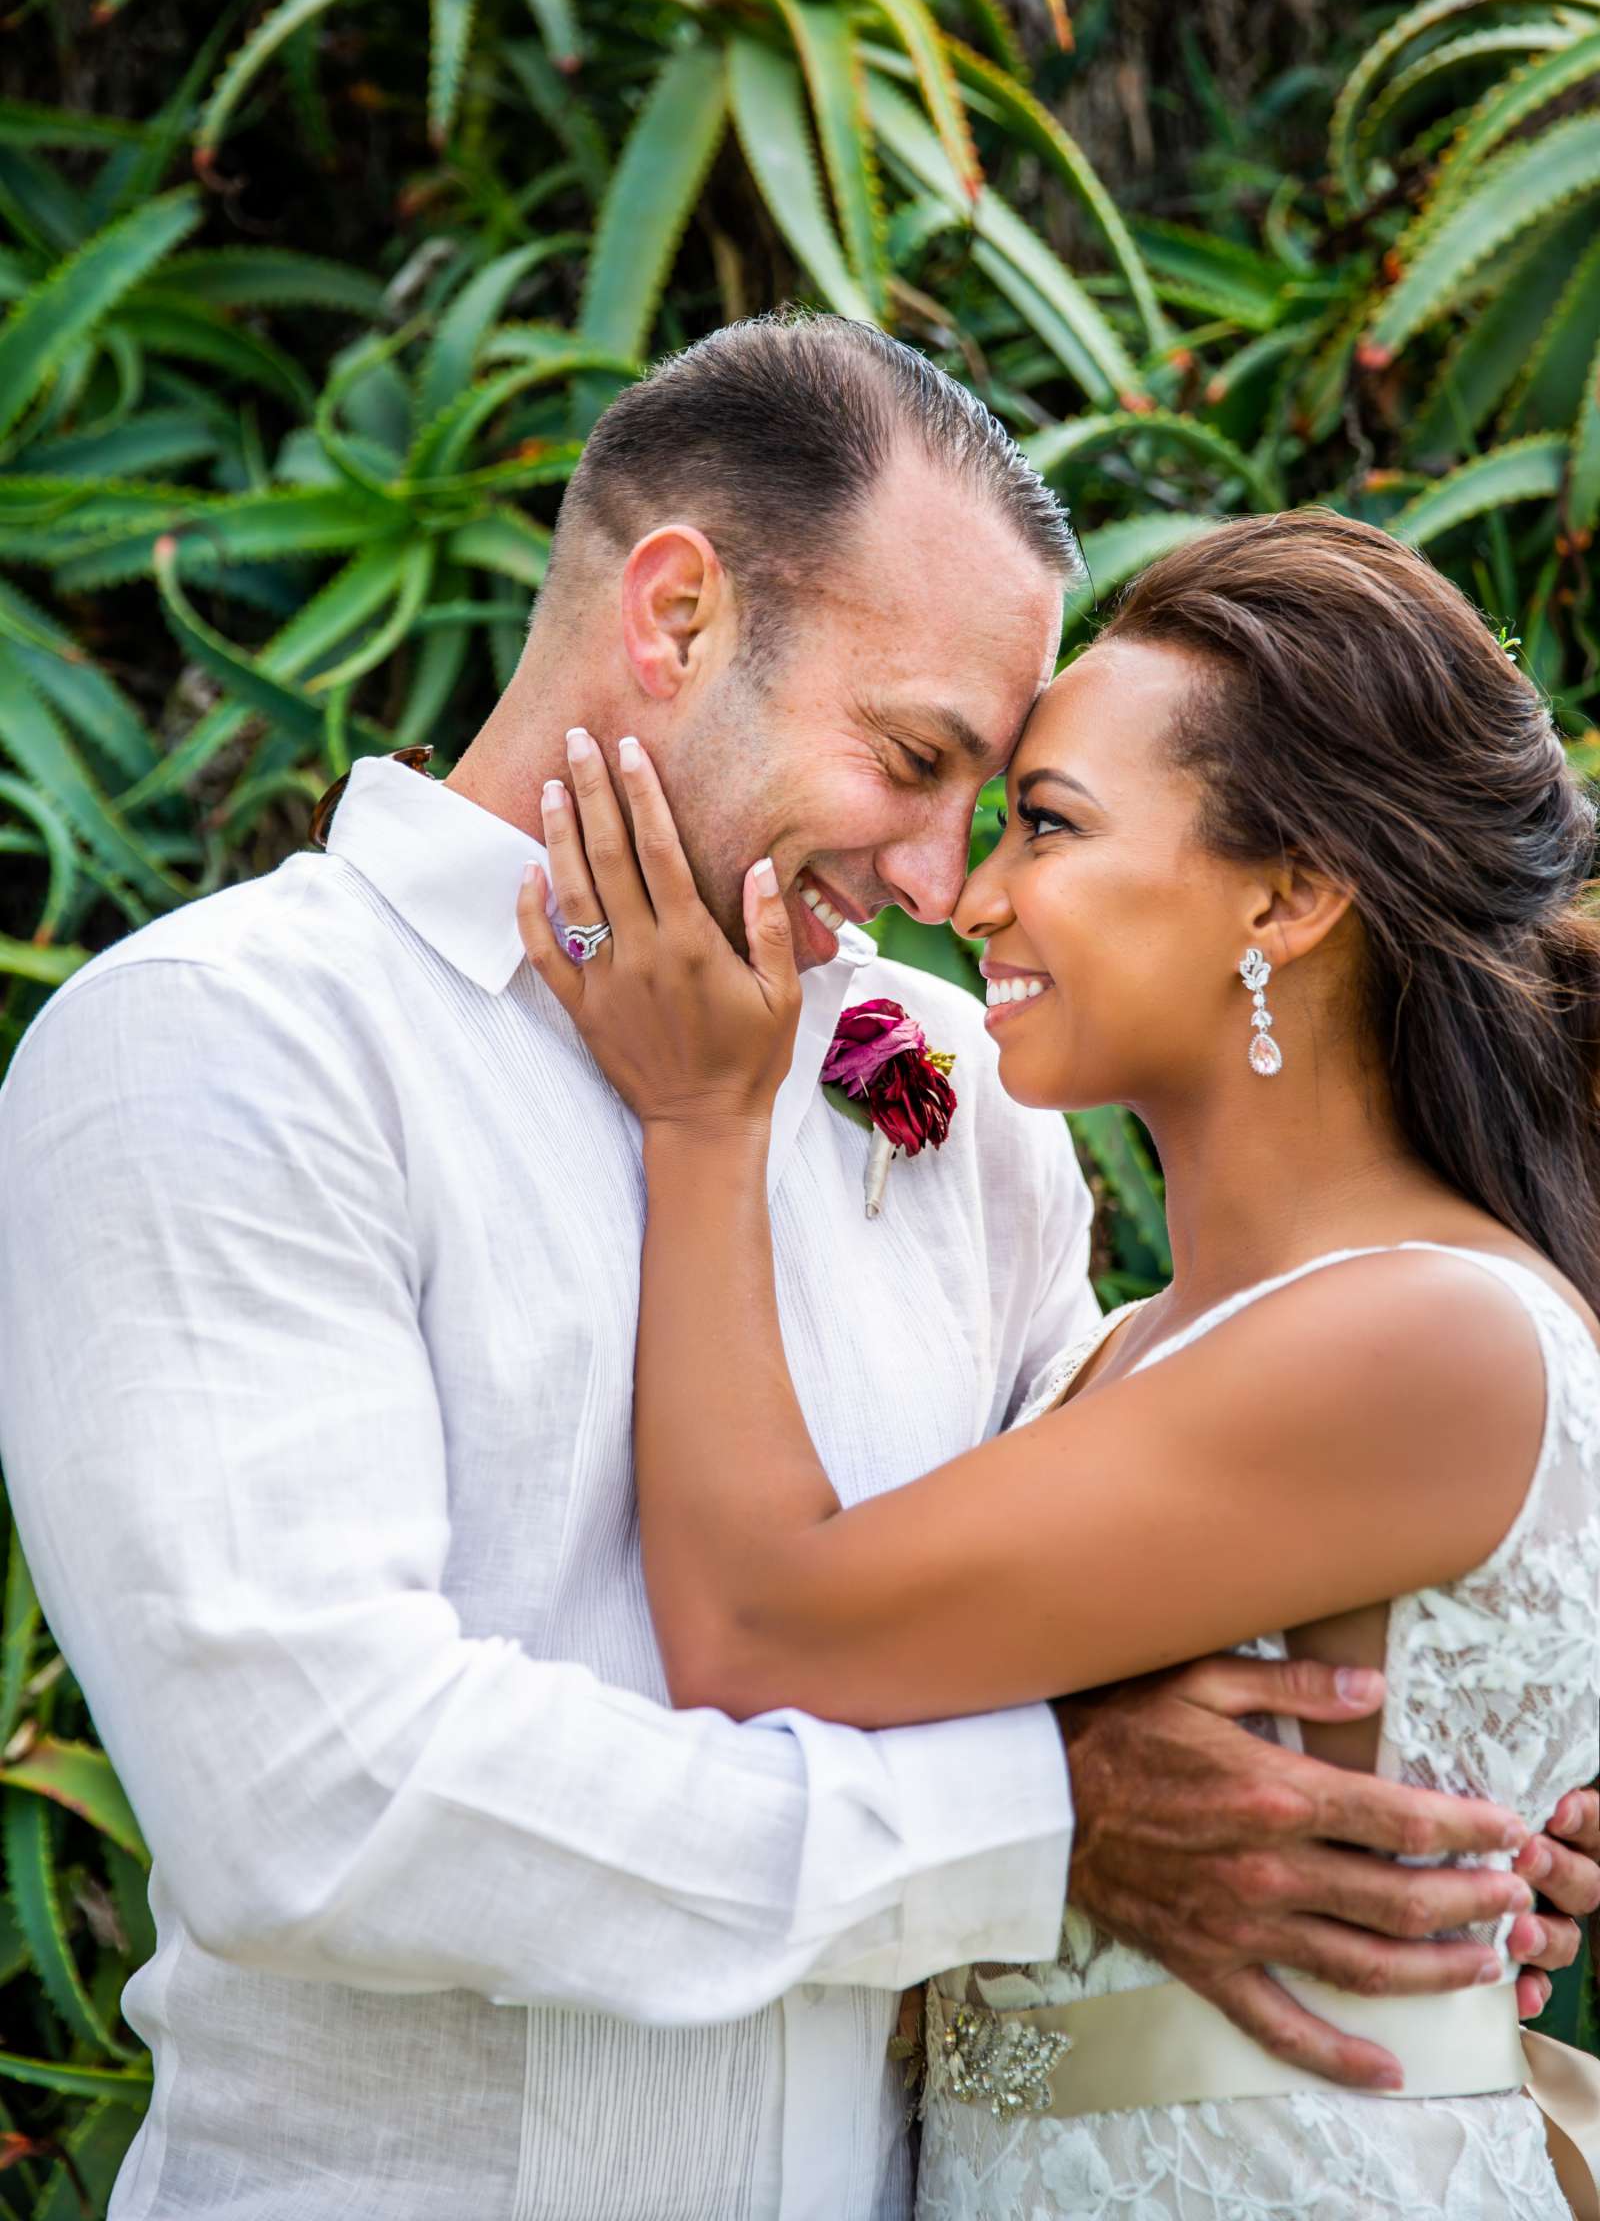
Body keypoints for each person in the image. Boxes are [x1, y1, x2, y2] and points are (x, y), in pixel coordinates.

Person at [0, 319, 1589, 2221]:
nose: (942, 877)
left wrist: (1451, 1813)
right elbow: (316, 1799)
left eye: (1007, 802)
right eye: (915, 759)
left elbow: (1101, 1599)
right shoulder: (226, 1042)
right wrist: (1045, 1827)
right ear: (674, 620)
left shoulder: (943, 1095)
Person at [517, 500, 1600, 2217]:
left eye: (1048, 825)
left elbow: (756, 1632)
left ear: (1296, 893)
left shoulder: (1427, 1335)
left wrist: (704, 1122)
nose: (972, 895)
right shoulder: (1121, 1353)